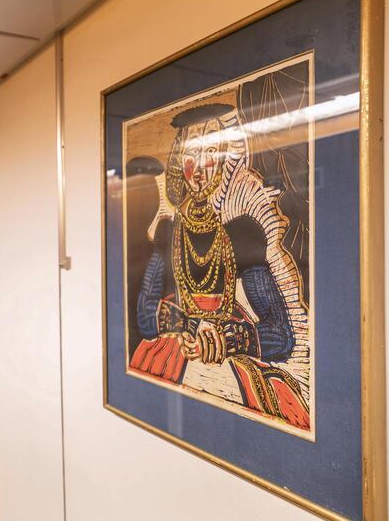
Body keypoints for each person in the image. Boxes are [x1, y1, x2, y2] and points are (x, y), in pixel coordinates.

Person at [129, 102, 311, 430]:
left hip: (230, 355)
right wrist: (189, 327)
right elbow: (145, 315)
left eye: (211, 152)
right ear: (177, 164)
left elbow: (283, 335)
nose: (199, 168)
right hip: (175, 350)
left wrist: (229, 340)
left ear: (226, 162)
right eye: (190, 155)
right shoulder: (168, 233)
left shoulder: (241, 234)